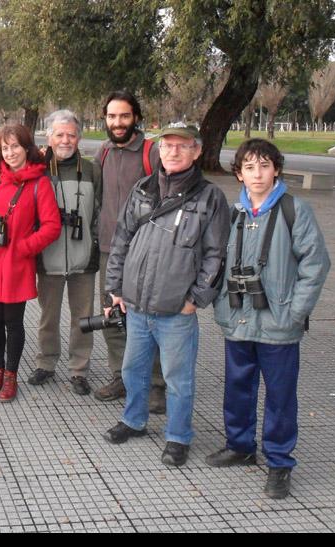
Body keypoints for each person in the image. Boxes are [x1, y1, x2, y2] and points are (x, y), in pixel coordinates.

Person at [206, 138, 330, 499]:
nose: (257, 174)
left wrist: (295, 312)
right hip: (238, 319)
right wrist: (220, 305)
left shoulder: (295, 210)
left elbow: (315, 265)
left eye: (264, 166)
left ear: (276, 169)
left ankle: (279, 461)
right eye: (249, 167)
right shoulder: (234, 213)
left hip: (279, 323)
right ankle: (240, 445)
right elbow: (216, 262)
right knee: (237, 387)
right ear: (239, 174)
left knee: (280, 395)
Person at [103, 124, 229, 466]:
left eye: (182, 146)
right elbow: (121, 239)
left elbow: (216, 255)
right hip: (137, 306)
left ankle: (178, 436)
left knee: (178, 379)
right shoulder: (143, 189)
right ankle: (134, 420)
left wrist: (196, 299)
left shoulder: (210, 197)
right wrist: (115, 288)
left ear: (196, 151)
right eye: (167, 145)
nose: (173, 151)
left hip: (177, 311)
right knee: (133, 370)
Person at [0, 123, 61, 402]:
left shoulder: (39, 183)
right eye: (5, 148)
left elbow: (52, 226)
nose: (10, 153)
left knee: (13, 322)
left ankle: (11, 374)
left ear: (27, 148)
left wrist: (24, 248)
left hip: (16, 261)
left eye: (15, 146)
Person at [94, 90, 166, 413]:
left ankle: (156, 385)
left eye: (124, 116)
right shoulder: (103, 153)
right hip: (109, 249)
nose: (118, 122)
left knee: (148, 318)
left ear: (135, 117)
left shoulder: (152, 153)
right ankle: (120, 376)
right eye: (112, 116)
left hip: (145, 252)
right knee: (112, 316)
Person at [27, 109, 101, 396]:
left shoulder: (92, 170)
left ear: (79, 137)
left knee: (84, 318)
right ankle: (46, 363)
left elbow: (101, 210)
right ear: (49, 137)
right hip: (49, 257)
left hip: (84, 257)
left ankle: (79, 370)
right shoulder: (38, 170)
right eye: (59, 134)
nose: (65, 140)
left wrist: (95, 243)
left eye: (71, 135)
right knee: (48, 316)